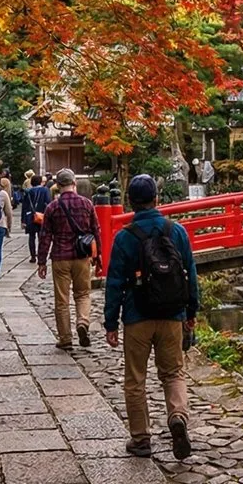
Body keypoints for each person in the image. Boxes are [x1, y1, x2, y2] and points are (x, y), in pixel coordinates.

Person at [103, 174, 200, 460]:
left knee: (135, 379)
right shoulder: (177, 231)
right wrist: (191, 312)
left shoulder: (124, 237)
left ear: (130, 202)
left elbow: (114, 283)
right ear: (157, 199)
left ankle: (141, 438)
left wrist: (111, 322)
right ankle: (178, 417)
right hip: (172, 314)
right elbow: (190, 274)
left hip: (137, 316)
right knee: (173, 373)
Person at [37, 169, 98, 350]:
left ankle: (65, 338)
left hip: (60, 257)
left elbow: (45, 236)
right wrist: (98, 255)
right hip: (81, 256)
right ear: (74, 183)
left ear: (58, 186)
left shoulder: (52, 207)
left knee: (62, 300)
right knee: (83, 294)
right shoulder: (87, 204)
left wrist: (41, 261)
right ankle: (83, 321)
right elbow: (96, 231)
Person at [20, 174, 51, 264]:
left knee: (31, 237)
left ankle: (33, 256)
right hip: (41, 216)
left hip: (30, 216)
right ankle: (41, 255)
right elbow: (48, 203)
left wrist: (23, 220)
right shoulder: (45, 190)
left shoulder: (28, 191)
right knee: (41, 237)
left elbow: (24, 206)